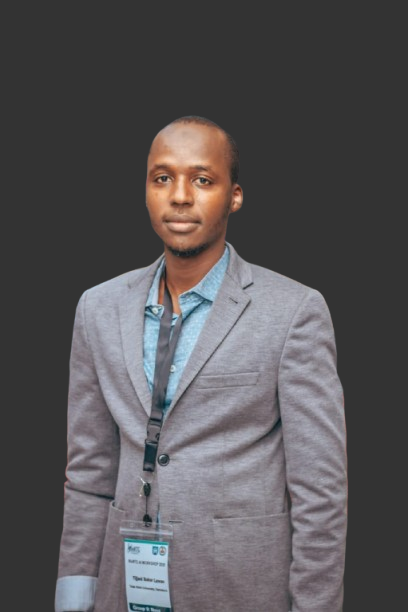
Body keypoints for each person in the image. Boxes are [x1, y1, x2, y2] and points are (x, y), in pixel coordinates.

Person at [55, 116, 347, 612]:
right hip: (122, 590)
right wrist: (73, 597)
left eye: (203, 179)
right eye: (162, 177)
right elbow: (88, 472)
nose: (180, 196)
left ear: (235, 196)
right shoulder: (97, 307)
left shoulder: (294, 311)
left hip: (240, 591)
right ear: (146, 190)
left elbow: (320, 492)